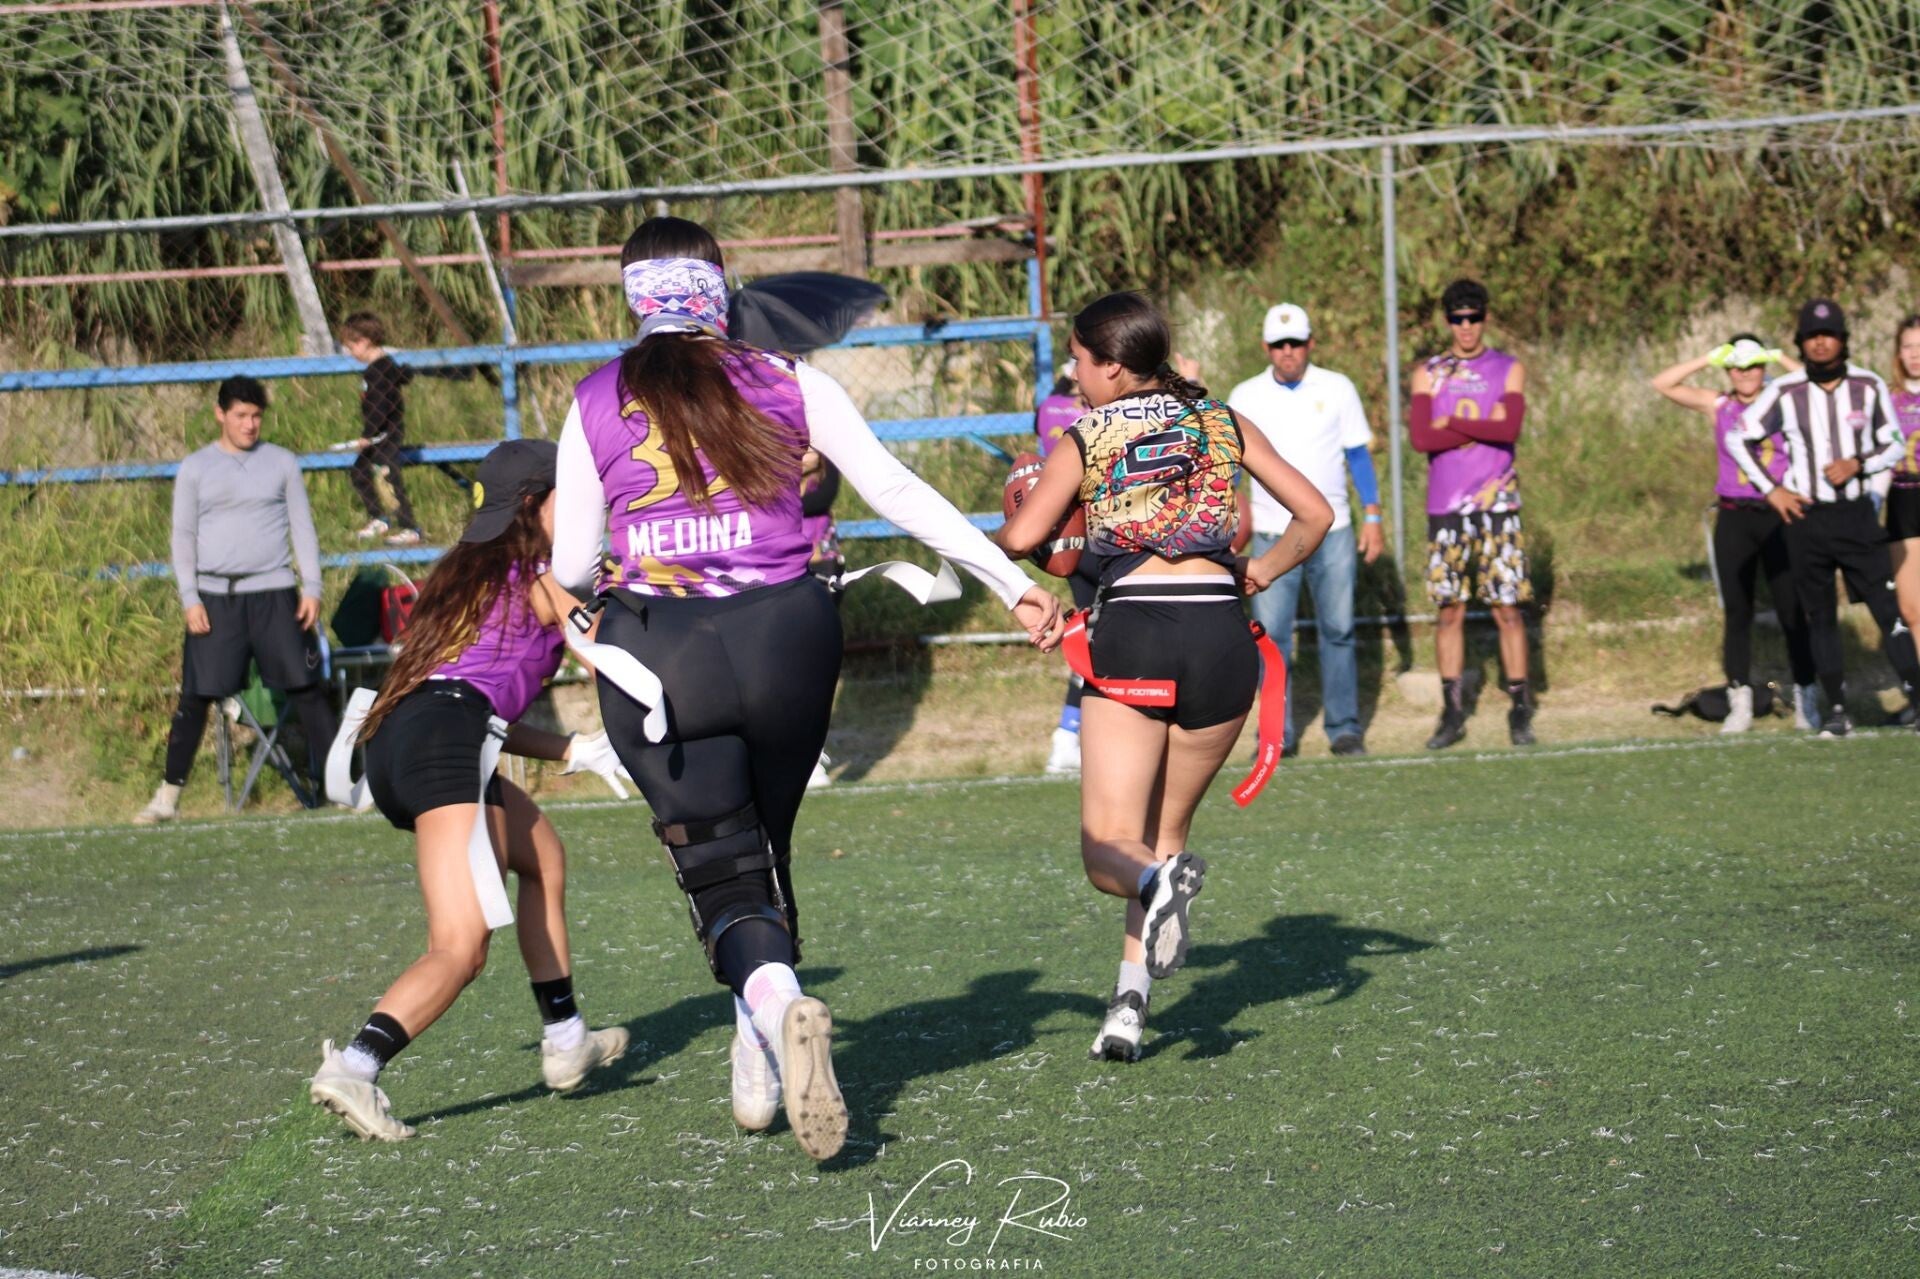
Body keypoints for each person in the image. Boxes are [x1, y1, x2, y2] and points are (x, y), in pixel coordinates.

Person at [551, 217, 1063, 1160]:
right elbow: (896, 490)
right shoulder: (790, 379)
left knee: (725, 871)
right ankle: (758, 1050)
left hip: (663, 650)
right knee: (766, 848)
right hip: (788, 634)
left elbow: (573, 566)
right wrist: (1011, 581)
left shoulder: (594, 398)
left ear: (631, 296)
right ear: (720, 287)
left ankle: (777, 1000)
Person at [995, 291, 1333, 1064]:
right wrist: (1256, 573)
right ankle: (1128, 1008)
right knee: (1163, 842)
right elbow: (1314, 515)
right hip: (1224, 639)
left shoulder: (1087, 432)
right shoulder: (1222, 420)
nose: (1075, 377)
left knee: (1110, 853)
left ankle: (1152, 897)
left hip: (1138, 632)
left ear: (1113, 367)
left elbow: (1023, 535)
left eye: (1079, 362)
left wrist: (1019, 513)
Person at [309, 439, 631, 1141]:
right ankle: (356, 1065)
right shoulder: (549, 580)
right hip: (444, 745)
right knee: (461, 945)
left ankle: (566, 1037)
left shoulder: (462, 572)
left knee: (543, 856)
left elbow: (464, 699)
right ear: (533, 504)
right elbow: (611, 654)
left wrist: (571, 748)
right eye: (570, 496)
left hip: (403, 740)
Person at [133, 377, 339, 824]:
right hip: (216, 598)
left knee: (308, 690)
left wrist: (312, 587)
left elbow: (302, 527)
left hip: (275, 595)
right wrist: (190, 597)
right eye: (241, 415)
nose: (250, 425)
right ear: (220, 414)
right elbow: (183, 536)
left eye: (256, 416)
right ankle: (168, 796)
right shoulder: (196, 468)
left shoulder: (282, 463)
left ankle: (342, 787)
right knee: (196, 697)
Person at [1735, 299, 1920, 737]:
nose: (1820, 343)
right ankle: (1837, 710)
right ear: (1801, 343)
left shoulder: (1867, 385)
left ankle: (1917, 699)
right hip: (1806, 517)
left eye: (1829, 335)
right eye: (1812, 336)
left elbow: (1893, 443)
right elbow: (1739, 437)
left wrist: (1859, 462)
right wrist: (1772, 490)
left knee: (1887, 609)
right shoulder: (1786, 391)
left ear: (1843, 339)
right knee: (1820, 616)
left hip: (1856, 515)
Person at [1227, 302, 1383, 757]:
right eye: (1279, 344)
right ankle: (1276, 734)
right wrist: (1227, 521)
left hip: (1333, 531)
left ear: (1311, 343)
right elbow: (1231, 468)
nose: (1288, 351)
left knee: (1339, 629)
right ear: (1266, 348)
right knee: (1271, 637)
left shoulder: (1337, 388)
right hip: (1272, 533)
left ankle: (1345, 728)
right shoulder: (1245, 395)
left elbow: (1357, 455)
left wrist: (1373, 516)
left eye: (1295, 342)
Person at [1650, 336, 1818, 731]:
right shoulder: (1719, 404)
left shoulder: (1783, 401)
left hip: (1779, 514)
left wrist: (1778, 355)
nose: (1745, 374)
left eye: (1753, 365)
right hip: (1734, 516)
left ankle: (1807, 694)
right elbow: (1663, 383)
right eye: (1737, 367)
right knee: (1737, 611)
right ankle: (1739, 698)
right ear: (1728, 370)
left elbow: (1820, 383)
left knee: (1791, 607)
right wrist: (1709, 357)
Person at [1407, 279, 1535, 749]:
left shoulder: (1508, 368)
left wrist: (1454, 423)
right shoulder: (1428, 373)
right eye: (1458, 318)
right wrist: (1484, 427)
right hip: (1447, 507)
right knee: (1449, 611)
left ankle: (1520, 708)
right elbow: (1422, 437)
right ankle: (1452, 711)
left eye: (1474, 317)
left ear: (1485, 318)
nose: (1466, 326)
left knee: (1508, 609)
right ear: (1447, 321)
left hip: (1498, 505)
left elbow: (1511, 427)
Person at [338, 311, 473, 547]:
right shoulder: (381, 368)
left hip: (384, 434)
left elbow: (380, 407)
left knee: (388, 477)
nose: (350, 353)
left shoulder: (378, 372)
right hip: (380, 433)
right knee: (359, 471)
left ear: (364, 341)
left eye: (351, 346)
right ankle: (379, 518)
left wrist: (368, 435)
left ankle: (410, 528)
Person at [1035, 358, 1098, 774]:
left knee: (1095, 635)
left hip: (1068, 533)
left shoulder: (1049, 407)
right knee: (1100, 635)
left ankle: (1069, 733)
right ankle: (1069, 734)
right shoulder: (1084, 413)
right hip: (1091, 531)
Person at [1887, 315, 1920, 656]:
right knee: (1911, 609)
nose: (1915, 354)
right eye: (1908, 346)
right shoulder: (1884, 396)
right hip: (1902, 499)